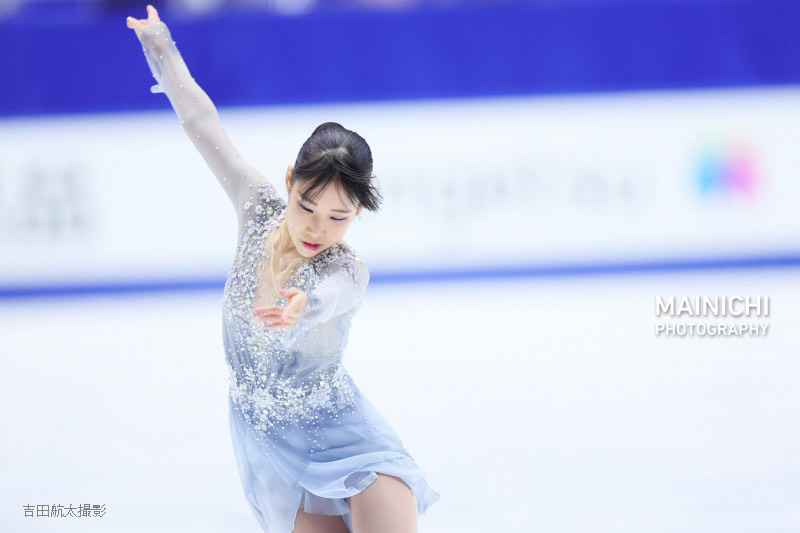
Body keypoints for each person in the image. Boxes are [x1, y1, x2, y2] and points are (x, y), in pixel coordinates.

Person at [126, 5, 440, 533]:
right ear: (290, 180)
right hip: (269, 451)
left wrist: (305, 305)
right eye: (307, 206)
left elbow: (334, 295)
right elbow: (203, 125)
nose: (317, 228)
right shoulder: (256, 207)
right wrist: (159, 44)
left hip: (347, 436)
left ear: (358, 213)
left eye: (338, 217)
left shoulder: (347, 270)